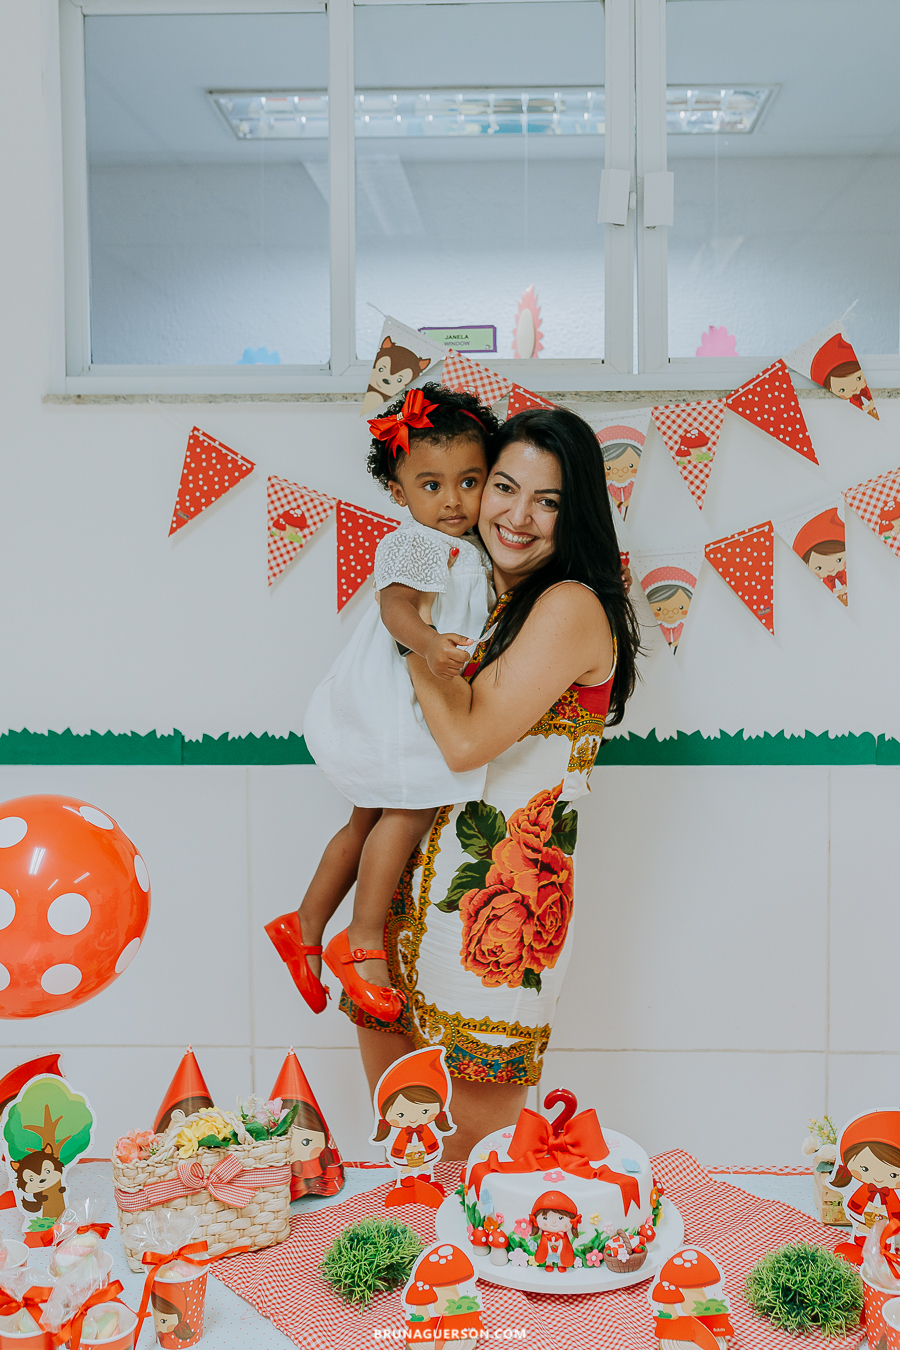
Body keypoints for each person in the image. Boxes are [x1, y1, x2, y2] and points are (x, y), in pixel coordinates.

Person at [342, 406, 641, 1158]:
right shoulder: (473, 589)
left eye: (549, 501)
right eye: (503, 487)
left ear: (578, 517)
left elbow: (466, 739)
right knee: (406, 1149)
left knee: (476, 1161)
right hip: (403, 906)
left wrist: (405, 631)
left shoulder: (569, 605)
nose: (517, 516)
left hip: (497, 924)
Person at [266, 384, 500, 1023]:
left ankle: (306, 921)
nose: (451, 500)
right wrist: (428, 644)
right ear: (398, 491)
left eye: (469, 481)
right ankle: (362, 939)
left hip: (394, 695)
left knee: (366, 818)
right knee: (409, 810)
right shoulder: (421, 543)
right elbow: (396, 606)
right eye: (431, 485)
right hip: (398, 696)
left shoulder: (465, 548)